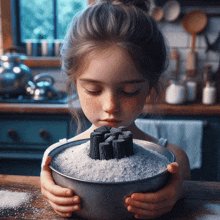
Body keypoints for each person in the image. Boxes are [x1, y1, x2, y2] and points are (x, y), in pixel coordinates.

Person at [40, 0, 191, 219]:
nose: (110, 106)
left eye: (129, 91)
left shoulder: (174, 159)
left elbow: (188, 192)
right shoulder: (56, 159)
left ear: (150, 87)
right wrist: (47, 187)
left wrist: (178, 191)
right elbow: (45, 186)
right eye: (93, 90)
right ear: (75, 85)